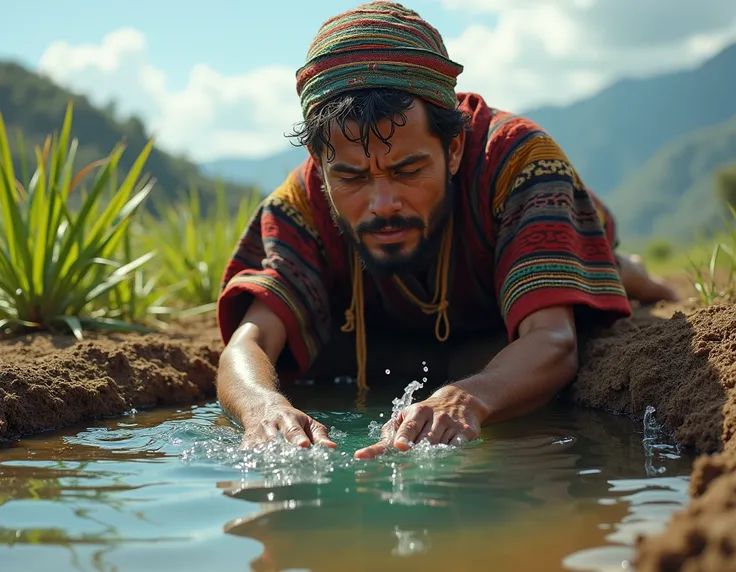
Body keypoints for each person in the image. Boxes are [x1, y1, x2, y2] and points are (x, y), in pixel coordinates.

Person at [215, 1, 678, 460]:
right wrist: (262, 405)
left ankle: (626, 270)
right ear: (319, 164)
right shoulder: (300, 203)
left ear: (453, 148)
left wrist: (464, 400)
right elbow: (250, 340)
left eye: (408, 170)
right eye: (352, 178)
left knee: (593, 277)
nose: (383, 205)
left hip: (538, 248)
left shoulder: (521, 163)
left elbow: (553, 340)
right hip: (398, 322)